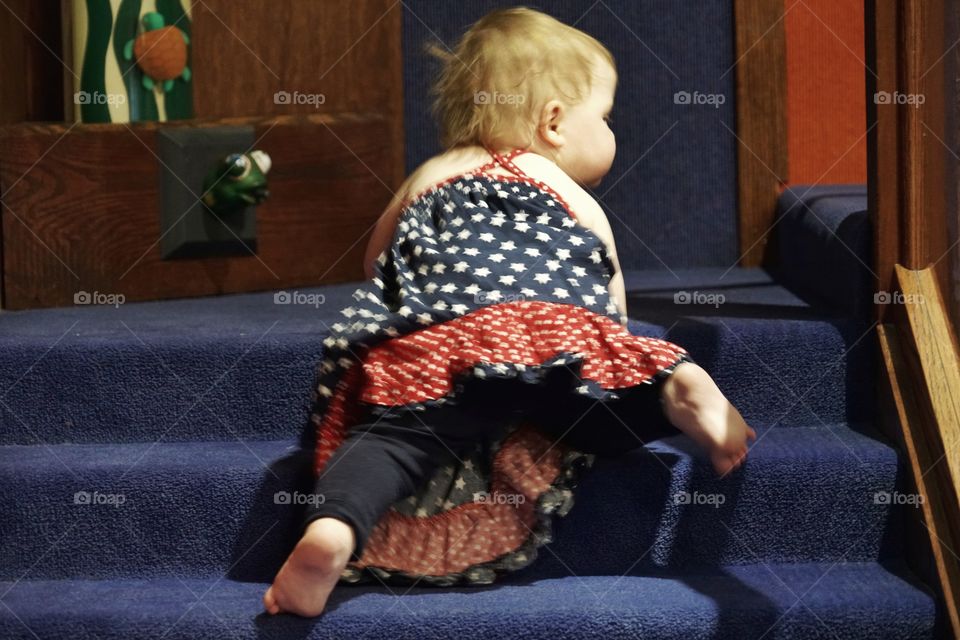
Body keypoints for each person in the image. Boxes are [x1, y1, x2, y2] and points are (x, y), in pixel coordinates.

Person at [264, 6, 756, 618]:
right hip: (553, 336)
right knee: (595, 407)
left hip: (444, 342)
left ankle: (334, 531)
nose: (610, 131)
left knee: (391, 441)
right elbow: (609, 302)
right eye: (604, 118)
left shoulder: (434, 172)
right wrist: (618, 351)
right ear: (554, 121)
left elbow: (377, 261)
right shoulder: (570, 194)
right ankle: (675, 389)